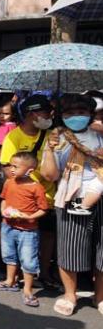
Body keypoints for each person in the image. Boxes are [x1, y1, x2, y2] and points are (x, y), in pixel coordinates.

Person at [40, 94, 103, 316]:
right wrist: (49, 150)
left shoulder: (99, 134)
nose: (76, 116)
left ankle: (100, 296)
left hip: (101, 193)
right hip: (70, 196)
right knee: (70, 248)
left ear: (90, 114)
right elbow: (50, 175)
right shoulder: (57, 138)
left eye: (81, 112)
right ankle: (69, 294)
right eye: (69, 113)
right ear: (62, 116)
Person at [0, 94, 59, 288]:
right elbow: (8, 169)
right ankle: (15, 275)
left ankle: (44, 272)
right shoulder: (13, 137)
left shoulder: (52, 135)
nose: (50, 115)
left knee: (47, 235)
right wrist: (29, 182)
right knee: (19, 236)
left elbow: (55, 171)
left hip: (48, 197)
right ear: (32, 114)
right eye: (46, 112)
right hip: (22, 199)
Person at [0, 152, 48, 307]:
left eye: (16, 167)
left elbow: (43, 209)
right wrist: (3, 210)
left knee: (28, 260)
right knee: (9, 255)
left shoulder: (36, 188)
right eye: (11, 165)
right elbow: (4, 199)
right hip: (8, 226)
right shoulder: (9, 182)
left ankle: (28, 290)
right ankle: (10, 281)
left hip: (27, 231)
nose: (11, 169)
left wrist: (29, 217)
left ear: (30, 170)